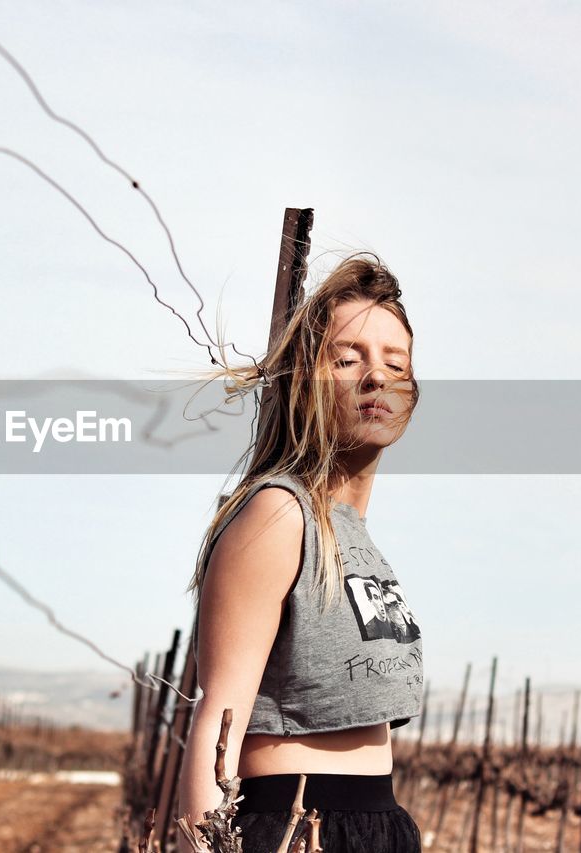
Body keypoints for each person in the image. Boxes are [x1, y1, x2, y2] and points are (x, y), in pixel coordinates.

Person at [176, 252, 425, 852]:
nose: (377, 377)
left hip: (378, 827)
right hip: (298, 826)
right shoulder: (280, 513)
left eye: (396, 362)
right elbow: (219, 715)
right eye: (348, 359)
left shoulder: (354, 533)